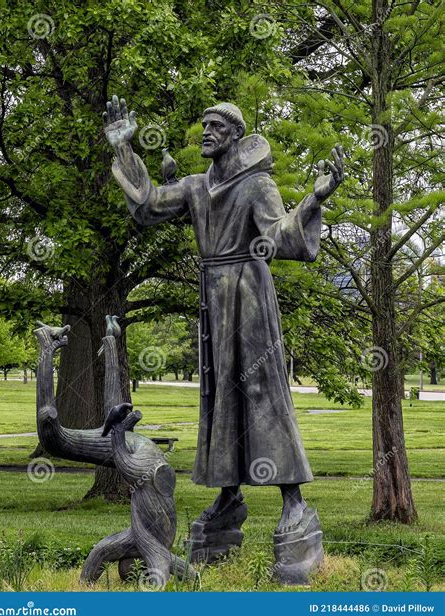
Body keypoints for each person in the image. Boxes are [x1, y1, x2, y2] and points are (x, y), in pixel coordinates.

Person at [103, 96, 344, 533]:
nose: (206, 133)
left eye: (215, 126)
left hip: (249, 292)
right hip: (214, 295)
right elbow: (149, 205)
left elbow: (280, 238)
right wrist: (124, 148)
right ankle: (229, 497)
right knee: (219, 395)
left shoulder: (257, 185)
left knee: (262, 389)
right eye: (204, 125)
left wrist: (313, 199)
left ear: (235, 135)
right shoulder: (196, 185)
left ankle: (294, 500)